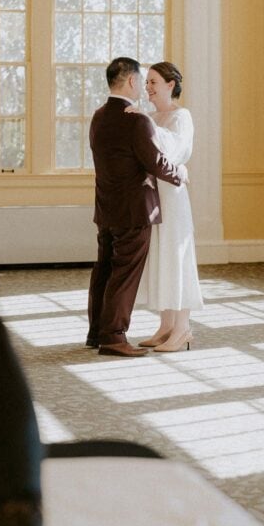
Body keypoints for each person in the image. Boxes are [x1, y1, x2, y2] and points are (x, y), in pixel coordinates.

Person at [86, 57, 187, 359]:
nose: (144, 87)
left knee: (104, 269)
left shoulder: (99, 116)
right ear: (130, 81)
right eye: (142, 81)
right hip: (134, 210)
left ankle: (96, 332)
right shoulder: (137, 120)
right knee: (123, 274)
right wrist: (179, 174)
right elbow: (154, 162)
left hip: (106, 208)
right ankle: (114, 336)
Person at [132, 62, 203, 353]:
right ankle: (166, 325)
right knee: (159, 255)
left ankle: (183, 328)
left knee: (177, 256)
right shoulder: (149, 116)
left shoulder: (181, 116)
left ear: (170, 85)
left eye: (153, 82)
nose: (147, 87)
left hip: (172, 197)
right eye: (146, 82)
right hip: (152, 195)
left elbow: (174, 149)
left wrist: (144, 124)